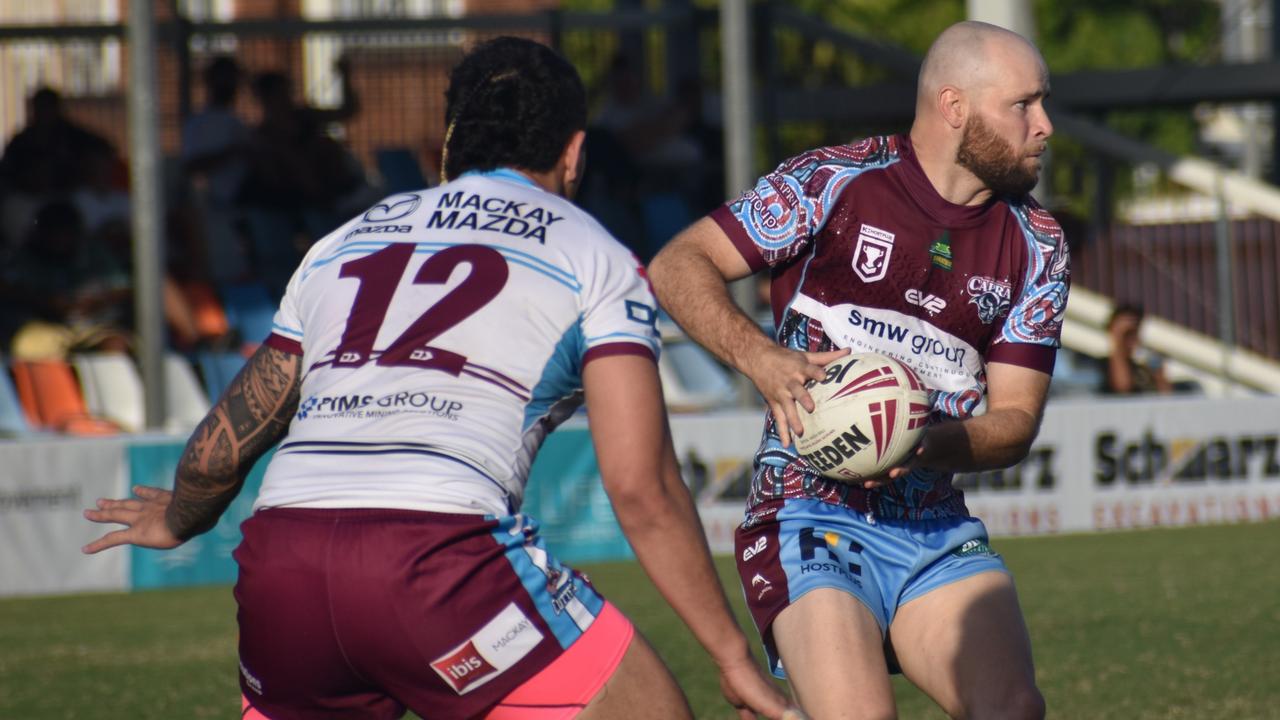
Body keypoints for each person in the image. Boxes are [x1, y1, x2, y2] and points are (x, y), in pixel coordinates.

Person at [83, 37, 791, 720]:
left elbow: (235, 430)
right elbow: (640, 489)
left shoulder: (346, 238)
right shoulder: (594, 256)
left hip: (281, 570)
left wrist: (179, 516)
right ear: (574, 153)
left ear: (448, 143)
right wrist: (730, 654)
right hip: (439, 566)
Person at [648, 21, 1069, 720]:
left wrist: (917, 441)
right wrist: (760, 357)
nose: (1045, 125)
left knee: (1015, 709)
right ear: (954, 106)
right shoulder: (834, 182)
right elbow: (677, 264)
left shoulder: (1038, 245)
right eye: (1023, 104)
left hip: (931, 529)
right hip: (807, 515)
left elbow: (1017, 422)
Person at [1100, 303, 1172, 395]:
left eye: (1135, 332)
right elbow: (1123, 389)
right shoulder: (1103, 364)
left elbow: (1166, 394)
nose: (1132, 339)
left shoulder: (1145, 363)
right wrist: (1118, 339)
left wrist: (1158, 370)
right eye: (1127, 334)